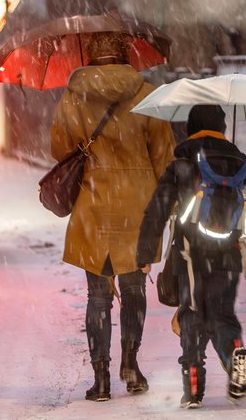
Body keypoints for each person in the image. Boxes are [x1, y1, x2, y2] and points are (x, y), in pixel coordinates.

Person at [50, 32, 175, 402]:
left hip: (93, 204)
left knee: (98, 297)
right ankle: (131, 367)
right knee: (134, 290)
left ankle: (101, 378)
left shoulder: (74, 96)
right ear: (126, 55)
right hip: (137, 207)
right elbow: (164, 157)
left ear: (90, 56)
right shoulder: (147, 95)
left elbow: (59, 148)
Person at [137, 104, 246, 409]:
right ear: (222, 128)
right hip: (229, 251)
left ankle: (193, 384)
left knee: (191, 314)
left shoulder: (183, 164)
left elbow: (157, 210)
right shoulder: (238, 162)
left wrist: (146, 253)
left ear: (191, 128)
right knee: (222, 313)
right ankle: (234, 350)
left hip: (191, 254)